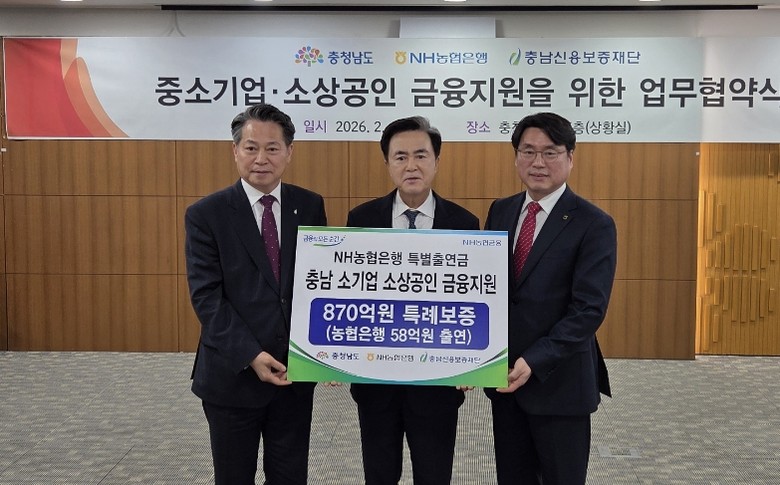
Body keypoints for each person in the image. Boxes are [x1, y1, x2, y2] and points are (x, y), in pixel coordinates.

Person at [185, 103, 327, 485]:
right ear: (235, 151)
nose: (261, 158)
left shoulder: (309, 205)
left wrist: (326, 353)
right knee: (234, 477)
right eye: (251, 148)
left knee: (290, 476)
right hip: (233, 375)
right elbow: (207, 297)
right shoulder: (206, 214)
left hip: (293, 376)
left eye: (272, 148)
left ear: (289, 152)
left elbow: (319, 284)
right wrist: (252, 354)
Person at [483, 112, 616, 485]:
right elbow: (486, 288)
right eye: (528, 151)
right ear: (516, 157)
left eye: (550, 152)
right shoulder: (501, 210)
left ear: (570, 157)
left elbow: (588, 309)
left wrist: (534, 359)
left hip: (560, 384)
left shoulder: (594, 223)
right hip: (506, 382)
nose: (538, 162)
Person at [346, 116, 480, 485]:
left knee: (434, 475)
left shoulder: (465, 224)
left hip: (438, 384)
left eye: (421, 155)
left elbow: (475, 300)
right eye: (400, 157)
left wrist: (473, 363)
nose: (411, 166)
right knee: (379, 475)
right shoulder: (361, 219)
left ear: (436, 161)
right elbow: (349, 294)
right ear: (387, 163)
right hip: (376, 381)